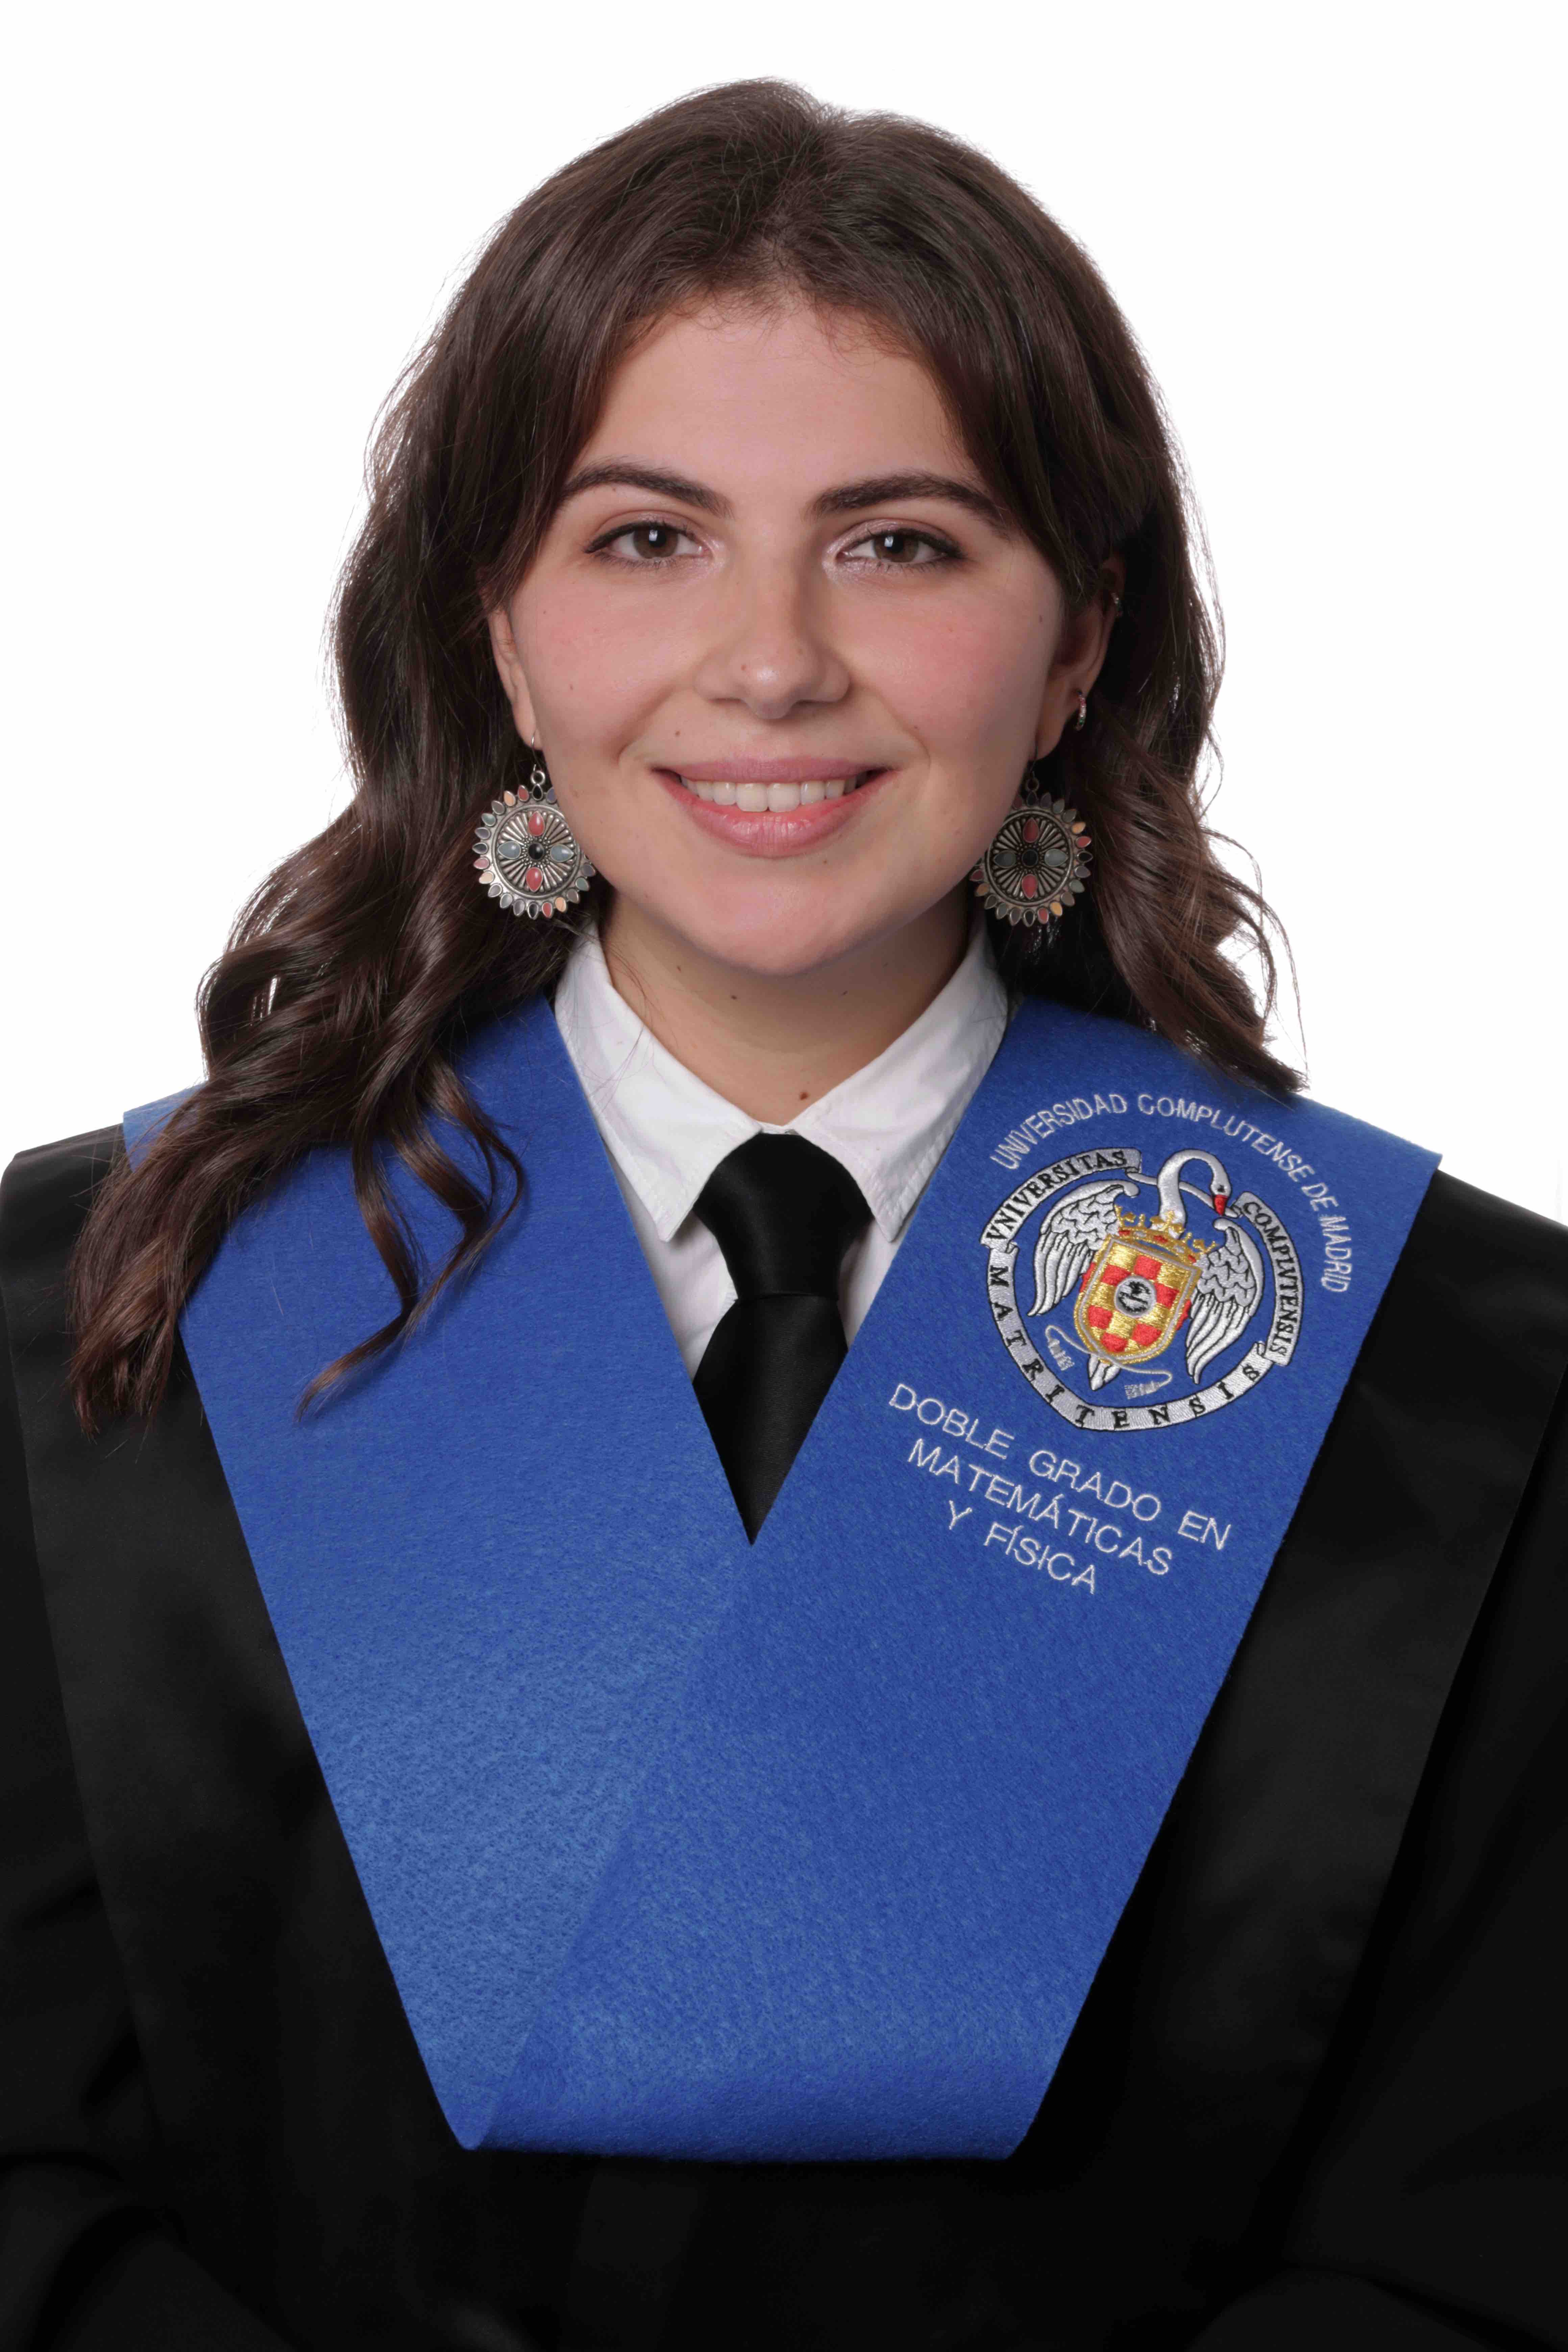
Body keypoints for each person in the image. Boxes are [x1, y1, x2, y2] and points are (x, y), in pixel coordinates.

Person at [1, 78, 1564, 2352]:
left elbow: (1494, 2232)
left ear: (1081, 640)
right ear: (501, 632)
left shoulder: (1447, 1383)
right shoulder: (113, 1315)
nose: (769, 662)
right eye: (647, 538)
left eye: (898, 545)